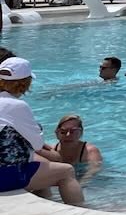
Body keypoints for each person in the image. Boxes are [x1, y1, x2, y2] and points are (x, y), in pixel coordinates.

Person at [0, 58, 84, 205]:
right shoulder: (16, 105)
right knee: (66, 171)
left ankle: (44, 207)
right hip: (4, 176)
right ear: (25, 83)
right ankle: (81, 212)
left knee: (41, 167)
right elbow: (37, 144)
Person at [51, 114, 103, 184]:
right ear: (57, 133)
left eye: (73, 131)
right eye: (63, 132)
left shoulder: (90, 151)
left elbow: (94, 170)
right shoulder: (51, 150)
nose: (68, 135)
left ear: (81, 133)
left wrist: (80, 184)